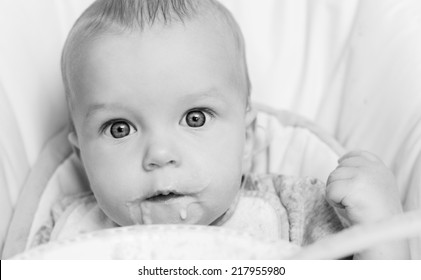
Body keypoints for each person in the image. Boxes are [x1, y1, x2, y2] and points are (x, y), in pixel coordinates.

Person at [34, 0, 409, 259]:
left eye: (195, 118)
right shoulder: (65, 232)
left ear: (248, 139)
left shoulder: (292, 212)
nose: (160, 154)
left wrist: (382, 228)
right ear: (82, 154)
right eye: (119, 129)